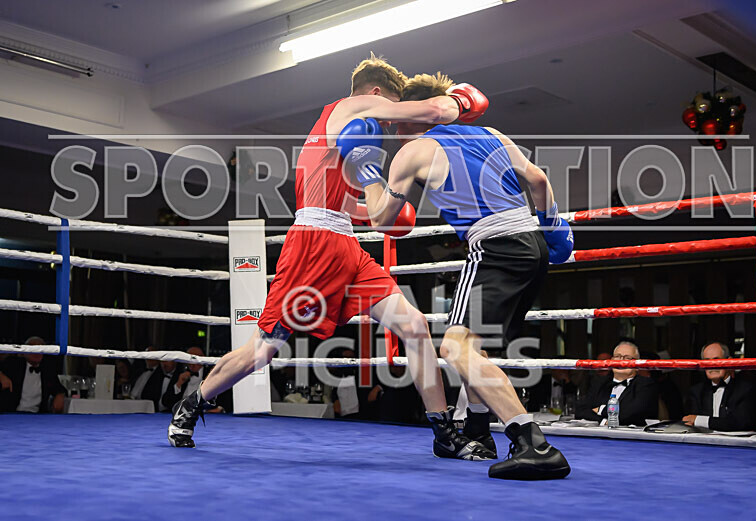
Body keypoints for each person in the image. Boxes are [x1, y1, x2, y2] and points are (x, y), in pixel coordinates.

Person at [169, 55, 495, 463]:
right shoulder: (349, 108)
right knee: (265, 349)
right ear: (377, 94)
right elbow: (433, 109)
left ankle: (443, 432)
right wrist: (458, 101)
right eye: (390, 109)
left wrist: (382, 209)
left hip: (345, 244)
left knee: (413, 326)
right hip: (313, 245)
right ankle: (192, 404)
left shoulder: (348, 138)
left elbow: (348, 207)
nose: (391, 124)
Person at [352, 72, 572, 479]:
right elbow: (539, 180)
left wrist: (366, 173)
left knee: (456, 349)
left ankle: (532, 443)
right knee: (477, 351)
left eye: (399, 121)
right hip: (532, 245)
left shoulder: (413, 151)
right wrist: (551, 222)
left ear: (413, 115)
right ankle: (477, 431)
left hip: (493, 248)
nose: (396, 130)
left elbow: (383, 220)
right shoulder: (491, 133)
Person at [576, 341, 659, 426]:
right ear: (611, 361)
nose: (621, 361)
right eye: (617, 357)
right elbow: (580, 411)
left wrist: (601, 409)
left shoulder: (646, 384)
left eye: (627, 358)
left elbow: (630, 414)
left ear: (637, 365)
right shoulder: (599, 383)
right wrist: (603, 421)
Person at [683, 342, 756, 431]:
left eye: (716, 360)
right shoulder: (696, 392)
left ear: (729, 361)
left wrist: (699, 420)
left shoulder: (745, 389)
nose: (711, 365)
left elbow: (740, 423)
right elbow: (688, 422)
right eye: (707, 361)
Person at [0, 337, 66, 414]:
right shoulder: (13, 364)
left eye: (40, 349)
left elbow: (59, 388)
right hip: (11, 413)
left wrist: (60, 395)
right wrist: (0, 375)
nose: (36, 353)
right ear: (24, 352)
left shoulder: (47, 370)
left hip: (38, 416)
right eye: (33, 349)